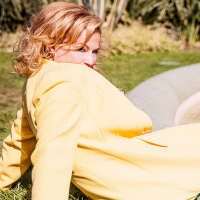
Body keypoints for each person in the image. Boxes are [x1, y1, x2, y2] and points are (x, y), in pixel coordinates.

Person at [0, 2, 200, 200]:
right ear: (51, 46)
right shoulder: (61, 84)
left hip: (128, 160)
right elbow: (53, 153)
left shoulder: (40, 79)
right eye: (81, 49)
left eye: (94, 51)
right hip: (135, 176)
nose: (91, 60)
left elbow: (20, 140)